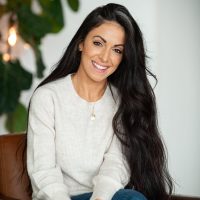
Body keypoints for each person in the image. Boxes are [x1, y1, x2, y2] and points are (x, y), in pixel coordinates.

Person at [26, 3, 173, 200]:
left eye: (117, 50)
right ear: (81, 43)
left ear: (124, 58)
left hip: (104, 196)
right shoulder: (47, 98)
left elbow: (116, 164)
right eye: (98, 43)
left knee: (132, 197)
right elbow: (44, 172)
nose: (105, 57)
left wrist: (99, 199)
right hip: (59, 197)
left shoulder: (122, 100)